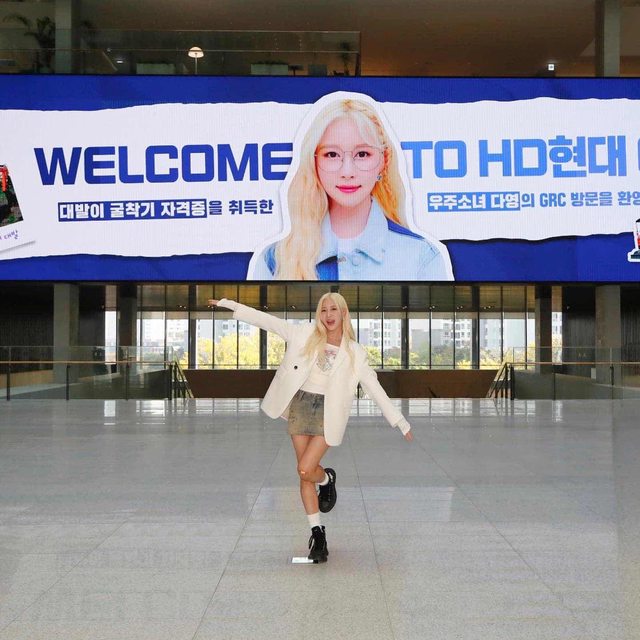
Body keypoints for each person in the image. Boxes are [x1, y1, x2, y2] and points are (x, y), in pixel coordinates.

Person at [208, 292, 413, 563]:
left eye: (333, 310)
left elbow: (374, 387)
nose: (328, 315)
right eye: (324, 310)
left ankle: (326, 479)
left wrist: (400, 421)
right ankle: (318, 534)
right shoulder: (304, 334)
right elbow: (268, 322)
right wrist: (229, 305)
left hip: (329, 412)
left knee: (306, 468)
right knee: (304, 475)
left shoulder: (355, 352)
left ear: (343, 313)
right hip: (301, 404)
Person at [250, 96, 452, 281]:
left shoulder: (422, 256)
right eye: (332, 154)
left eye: (362, 154)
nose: (347, 172)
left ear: (384, 160)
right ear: (314, 161)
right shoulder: (274, 260)